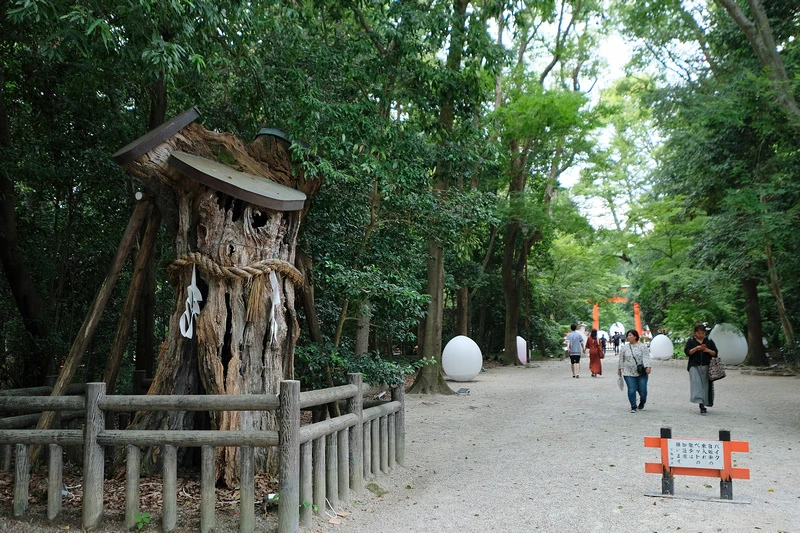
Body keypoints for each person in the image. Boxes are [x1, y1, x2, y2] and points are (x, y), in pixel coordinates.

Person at [684, 323, 718, 415]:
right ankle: (701, 403)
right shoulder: (691, 341)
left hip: (706, 365)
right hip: (694, 365)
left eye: (702, 333)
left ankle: (704, 402)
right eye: (699, 333)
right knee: (697, 383)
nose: (700, 335)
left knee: (705, 385)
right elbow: (687, 352)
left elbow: (715, 353)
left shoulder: (709, 341)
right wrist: (696, 348)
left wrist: (707, 350)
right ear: (695, 333)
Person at [617, 329, 651, 412]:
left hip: (641, 371)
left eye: (630, 335)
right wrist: (619, 368)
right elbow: (621, 358)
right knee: (631, 389)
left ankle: (642, 401)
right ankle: (633, 406)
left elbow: (646, 357)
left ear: (635, 337)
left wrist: (647, 366)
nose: (628, 337)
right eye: (628, 335)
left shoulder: (642, 346)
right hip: (628, 371)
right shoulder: (624, 348)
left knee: (643, 390)